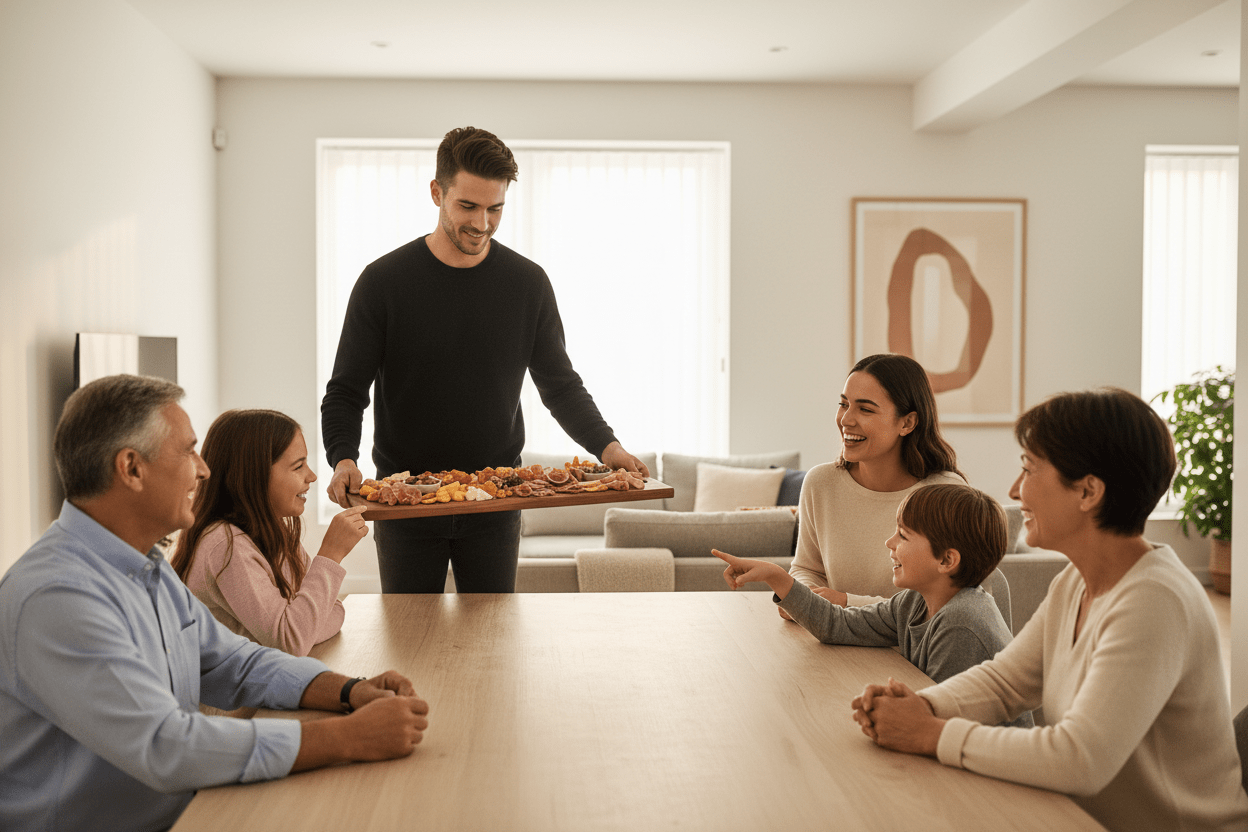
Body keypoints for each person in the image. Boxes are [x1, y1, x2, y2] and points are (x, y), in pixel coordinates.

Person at [0, 375, 429, 832]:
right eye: (188, 452)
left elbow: (234, 664)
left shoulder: (145, 565)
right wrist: (347, 738)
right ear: (131, 468)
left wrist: (348, 690)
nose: (203, 470)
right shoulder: (58, 597)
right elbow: (166, 746)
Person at [851, 388, 1248, 832]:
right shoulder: (1076, 582)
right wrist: (923, 705)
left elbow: (1080, 759)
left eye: (1028, 468)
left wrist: (931, 733)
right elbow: (1006, 682)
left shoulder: (1155, 601)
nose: (1015, 490)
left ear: (1087, 491)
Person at [321, 125, 649, 594]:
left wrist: (609, 448)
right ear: (437, 193)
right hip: (406, 499)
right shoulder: (382, 282)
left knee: (494, 642)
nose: (482, 223)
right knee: (413, 639)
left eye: (495, 209)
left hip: (497, 500)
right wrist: (343, 457)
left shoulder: (528, 284)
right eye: (468, 206)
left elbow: (560, 385)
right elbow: (346, 391)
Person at [715, 483, 1031, 726]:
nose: (889, 542)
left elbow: (933, 722)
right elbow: (837, 624)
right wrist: (777, 577)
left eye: (903, 536)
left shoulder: (961, 625)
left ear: (947, 560)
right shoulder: (914, 602)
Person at [171, 409, 369, 656]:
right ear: (254, 474)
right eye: (298, 466)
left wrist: (303, 627)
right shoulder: (226, 545)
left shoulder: (274, 531)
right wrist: (331, 554)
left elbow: (332, 611)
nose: (312, 476)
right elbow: (292, 641)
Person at [787, 353, 964, 616]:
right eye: (844, 404)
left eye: (865, 409)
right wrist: (804, 598)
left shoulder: (947, 495)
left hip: (910, 652)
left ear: (907, 423)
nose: (846, 419)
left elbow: (948, 604)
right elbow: (806, 568)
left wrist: (847, 603)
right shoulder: (820, 484)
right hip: (834, 643)